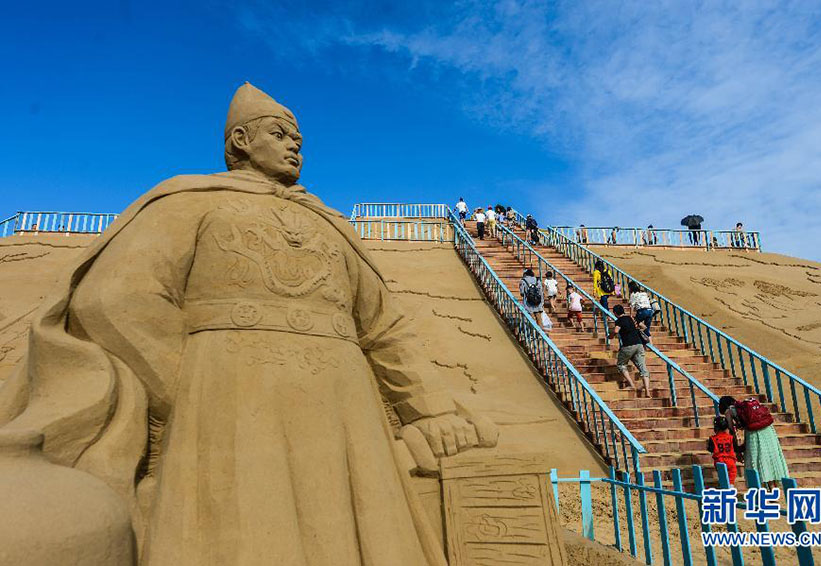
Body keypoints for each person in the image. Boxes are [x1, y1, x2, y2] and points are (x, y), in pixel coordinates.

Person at [0, 82, 497, 564]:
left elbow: (384, 326)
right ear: (241, 139)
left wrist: (430, 410)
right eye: (279, 135)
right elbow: (115, 300)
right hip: (229, 398)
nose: (294, 147)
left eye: (298, 140)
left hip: (347, 406)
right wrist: (188, 387)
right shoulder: (190, 201)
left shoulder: (329, 223)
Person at [718, 396, 789, 489]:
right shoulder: (744, 406)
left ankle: (763, 489)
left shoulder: (729, 411)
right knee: (769, 459)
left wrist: (737, 450)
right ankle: (773, 488)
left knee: (755, 461)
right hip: (769, 431)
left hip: (753, 434)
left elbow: (732, 431)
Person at [609, 304, 651, 396]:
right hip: (639, 344)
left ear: (615, 313)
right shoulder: (632, 318)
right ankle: (647, 391)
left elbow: (616, 331)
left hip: (628, 345)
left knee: (621, 364)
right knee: (643, 368)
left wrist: (610, 336)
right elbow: (644, 327)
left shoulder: (619, 321)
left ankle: (632, 385)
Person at [707, 415, 738, 485]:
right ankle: (730, 487)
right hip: (730, 461)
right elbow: (736, 448)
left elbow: (710, 449)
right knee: (731, 479)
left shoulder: (712, 438)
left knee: (723, 478)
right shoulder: (731, 437)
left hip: (719, 461)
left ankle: (724, 486)